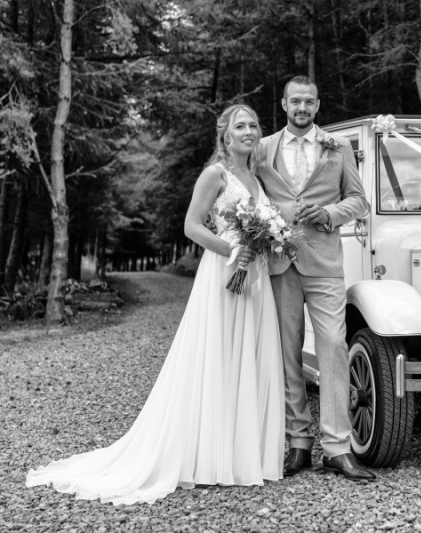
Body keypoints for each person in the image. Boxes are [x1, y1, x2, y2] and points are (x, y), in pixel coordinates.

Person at [26, 104, 285, 505]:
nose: (249, 132)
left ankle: (240, 455)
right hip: (224, 275)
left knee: (247, 359)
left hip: (255, 281)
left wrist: (264, 242)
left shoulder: (256, 175)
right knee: (216, 359)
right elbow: (191, 225)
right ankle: (206, 456)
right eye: (240, 126)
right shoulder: (215, 174)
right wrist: (232, 250)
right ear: (225, 135)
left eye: (253, 125)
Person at [257, 76, 373, 481]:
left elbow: (359, 200)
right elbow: (248, 194)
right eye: (295, 102)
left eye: (309, 102)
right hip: (278, 263)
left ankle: (338, 448)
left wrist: (329, 215)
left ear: (318, 105)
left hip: (324, 263)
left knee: (334, 348)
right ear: (285, 104)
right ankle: (299, 443)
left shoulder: (337, 147)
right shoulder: (263, 148)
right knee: (287, 353)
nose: (302, 108)